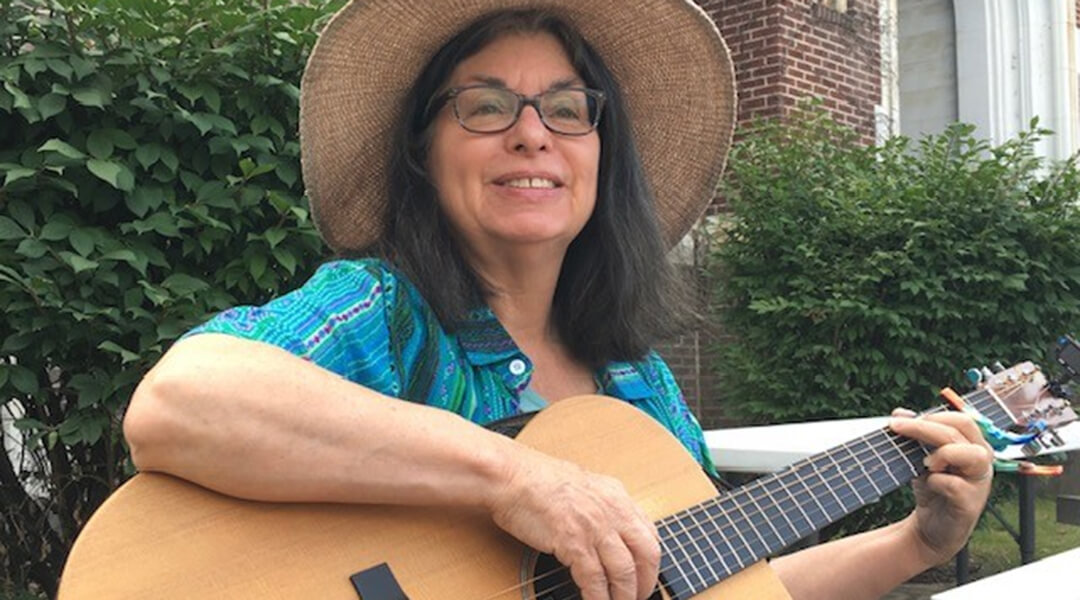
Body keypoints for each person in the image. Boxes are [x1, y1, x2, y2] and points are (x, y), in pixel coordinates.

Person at [122, 1, 995, 599]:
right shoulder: (382, 314)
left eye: (568, 108)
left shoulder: (637, 386)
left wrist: (915, 544)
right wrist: (518, 478)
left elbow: (708, 581)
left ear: (600, 157)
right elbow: (176, 404)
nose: (532, 131)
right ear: (423, 153)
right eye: (486, 104)